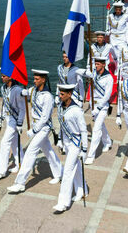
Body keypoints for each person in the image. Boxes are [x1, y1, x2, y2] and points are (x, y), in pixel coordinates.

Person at [7, 70, 62, 193]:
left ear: (43, 80)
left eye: (37, 79)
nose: (34, 81)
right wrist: (15, 87)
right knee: (48, 150)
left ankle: (20, 183)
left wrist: (34, 130)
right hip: (36, 125)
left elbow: (45, 117)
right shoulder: (33, 90)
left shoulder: (48, 96)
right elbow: (24, 92)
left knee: (31, 151)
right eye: (34, 78)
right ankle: (59, 173)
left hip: (43, 127)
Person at [53, 84, 88, 213]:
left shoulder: (76, 110)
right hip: (67, 142)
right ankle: (82, 190)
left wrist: (84, 149)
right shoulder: (61, 107)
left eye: (62, 94)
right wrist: (61, 140)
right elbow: (62, 125)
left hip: (76, 143)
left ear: (69, 94)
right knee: (76, 167)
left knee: (67, 171)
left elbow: (84, 131)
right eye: (59, 94)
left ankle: (63, 203)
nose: (59, 96)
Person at [79, 56, 114, 164]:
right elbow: (84, 73)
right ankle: (108, 142)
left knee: (96, 129)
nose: (96, 65)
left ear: (103, 64)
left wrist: (98, 108)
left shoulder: (109, 78)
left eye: (98, 64)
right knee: (101, 125)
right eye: (95, 64)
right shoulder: (94, 73)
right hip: (93, 105)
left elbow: (107, 95)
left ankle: (91, 155)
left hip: (102, 107)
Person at [0, 72, 25, 179]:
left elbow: (22, 108)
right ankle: (21, 163)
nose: (2, 77)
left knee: (5, 143)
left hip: (14, 120)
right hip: (8, 118)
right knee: (14, 143)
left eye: (4, 76)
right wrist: (0, 118)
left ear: (10, 77)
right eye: (1, 75)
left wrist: (20, 123)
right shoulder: (4, 88)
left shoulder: (18, 90)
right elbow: (4, 104)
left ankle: (2, 171)